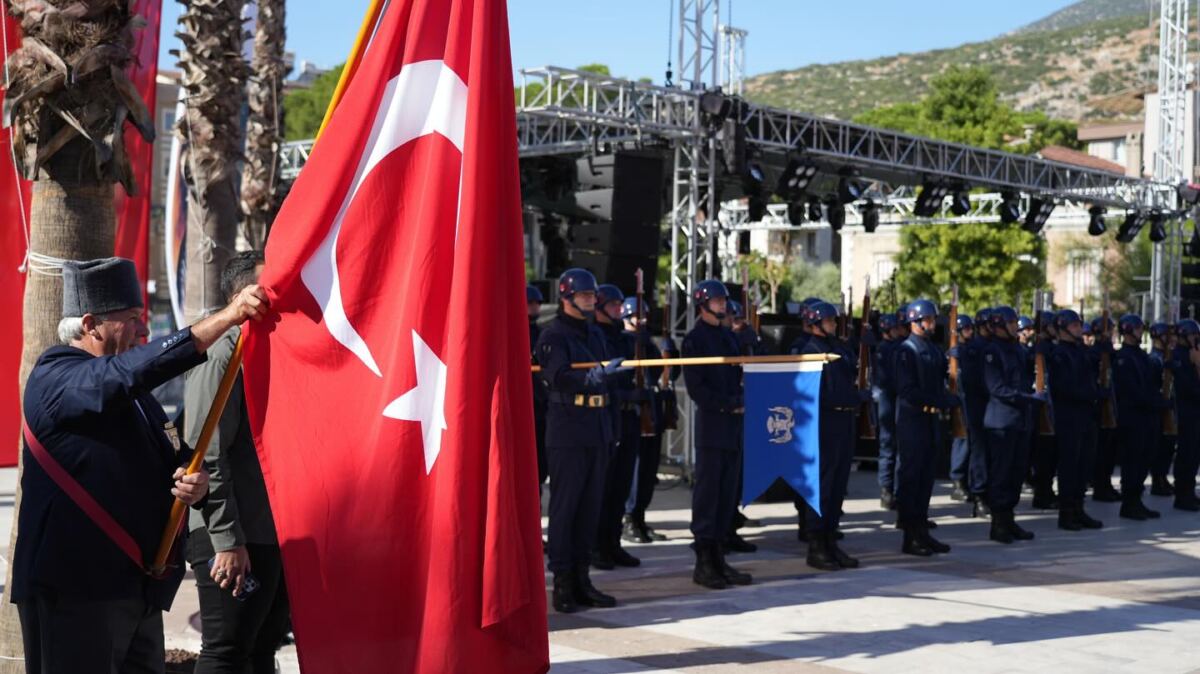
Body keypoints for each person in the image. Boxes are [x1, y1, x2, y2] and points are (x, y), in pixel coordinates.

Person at [15, 257, 268, 674]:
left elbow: (177, 454)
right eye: (132, 318)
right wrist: (227, 318)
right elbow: (127, 373)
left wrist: (195, 483)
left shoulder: (137, 398)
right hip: (77, 590)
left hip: (137, 587)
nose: (143, 330)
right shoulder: (55, 375)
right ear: (91, 324)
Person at [186, 251, 291, 673]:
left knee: (261, 648)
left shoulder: (269, 346)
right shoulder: (224, 350)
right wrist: (227, 540)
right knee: (226, 651)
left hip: (269, 530)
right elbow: (206, 451)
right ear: (240, 296)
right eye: (269, 287)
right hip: (232, 532)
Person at [537, 268, 628, 613]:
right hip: (569, 429)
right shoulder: (553, 335)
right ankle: (562, 582)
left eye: (592, 296)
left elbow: (608, 386)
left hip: (597, 427)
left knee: (590, 508)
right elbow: (558, 377)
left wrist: (612, 428)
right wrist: (595, 375)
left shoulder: (595, 333)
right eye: (585, 295)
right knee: (566, 508)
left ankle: (582, 578)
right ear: (567, 297)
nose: (591, 300)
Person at [683, 280, 753, 590]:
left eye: (724, 300)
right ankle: (704, 562)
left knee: (727, 495)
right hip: (713, 425)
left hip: (733, 426)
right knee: (709, 494)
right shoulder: (694, 340)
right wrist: (730, 403)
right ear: (702, 304)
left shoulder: (728, 337)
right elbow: (697, 390)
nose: (723, 304)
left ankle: (719, 557)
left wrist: (752, 343)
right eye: (716, 301)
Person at [800, 301, 866, 570]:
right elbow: (818, 395)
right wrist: (854, 397)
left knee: (838, 485)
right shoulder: (810, 352)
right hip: (824, 424)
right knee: (823, 486)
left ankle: (830, 539)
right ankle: (816, 544)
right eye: (829, 321)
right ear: (816, 323)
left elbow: (851, 372)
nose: (833, 325)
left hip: (843, 421)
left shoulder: (837, 348)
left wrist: (860, 345)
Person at [893, 299, 959, 556]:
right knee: (912, 479)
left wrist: (953, 359)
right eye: (929, 320)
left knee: (926, 480)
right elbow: (908, 391)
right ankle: (910, 536)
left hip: (930, 421)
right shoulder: (906, 351)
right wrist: (941, 401)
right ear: (916, 322)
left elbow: (941, 376)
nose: (932, 324)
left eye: (932, 319)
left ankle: (922, 531)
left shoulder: (932, 348)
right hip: (913, 420)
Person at [592, 283, 642, 570]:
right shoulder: (595, 336)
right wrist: (623, 393)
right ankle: (597, 545)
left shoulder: (624, 337)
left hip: (628, 417)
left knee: (621, 485)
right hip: (607, 415)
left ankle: (613, 542)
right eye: (612, 305)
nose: (618, 310)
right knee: (604, 486)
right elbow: (602, 378)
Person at [981, 306, 1037, 543]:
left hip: (1020, 420)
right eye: (1012, 322)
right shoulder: (991, 352)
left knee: (1016, 473)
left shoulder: (1018, 349)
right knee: (1001, 474)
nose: (1016, 326)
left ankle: (1009, 519)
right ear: (1000, 325)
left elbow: (1027, 377)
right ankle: (998, 523)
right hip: (1001, 421)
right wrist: (1027, 398)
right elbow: (997, 388)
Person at [620, 296, 672, 544]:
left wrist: (668, 352)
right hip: (634, 414)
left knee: (649, 471)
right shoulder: (622, 341)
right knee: (635, 471)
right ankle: (629, 518)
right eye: (636, 316)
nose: (641, 320)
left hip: (652, 411)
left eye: (643, 316)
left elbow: (664, 373)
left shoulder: (648, 343)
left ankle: (640, 516)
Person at [1048, 310, 1105, 531]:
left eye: (1079, 325)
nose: (1079, 329)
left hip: (1086, 415)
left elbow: (1094, 365)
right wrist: (1091, 394)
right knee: (1070, 466)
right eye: (1073, 326)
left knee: (1084, 465)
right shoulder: (1059, 354)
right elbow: (1063, 388)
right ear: (1062, 329)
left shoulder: (1081, 351)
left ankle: (1079, 508)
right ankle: (1067, 513)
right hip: (1069, 417)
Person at [1112, 314, 1162, 521]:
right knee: (1132, 461)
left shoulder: (1141, 355)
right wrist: (1155, 401)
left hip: (1146, 416)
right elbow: (1131, 390)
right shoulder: (1123, 357)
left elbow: (1151, 383)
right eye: (1138, 328)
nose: (1142, 331)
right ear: (1128, 330)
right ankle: (1129, 504)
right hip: (1132, 417)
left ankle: (1137, 501)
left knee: (1144, 460)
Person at [950, 313, 983, 507]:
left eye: (972, 328)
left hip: (972, 400)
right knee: (962, 442)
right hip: (959, 401)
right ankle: (957, 481)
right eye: (967, 329)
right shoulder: (954, 353)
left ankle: (968, 481)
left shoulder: (973, 349)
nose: (971, 332)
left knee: (971, 443)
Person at [1029, 311, 1060, 510]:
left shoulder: (1051, 348)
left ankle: (1046, 491)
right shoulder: (1039, 350)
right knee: (1044, 455)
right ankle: (1042, 493)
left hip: (1052, 405)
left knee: (1051, 455)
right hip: (1041, 407)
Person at [1090, 316, 1122, 503]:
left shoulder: (1109, 352)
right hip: (1098, 409)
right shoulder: (1093, 353)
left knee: (1110, 451)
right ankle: (1100, 486)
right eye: (1109, 330)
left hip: (1111, 405)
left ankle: (1106, 484)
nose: (1111, 333)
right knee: (1100, 451)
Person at [1171, 319, 1200, 511]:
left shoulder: (1194, 354)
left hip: (1195, 411)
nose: (1196, 338)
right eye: (1192, 335)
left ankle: (1189, 490)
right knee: (1186, 454)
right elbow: (1187, 387)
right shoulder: (1179, 356)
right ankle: (1182, 495)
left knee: (1194, 454)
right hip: (1186, 411)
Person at [874, 312, 901, 510]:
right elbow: (885, 379)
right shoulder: (883, 349)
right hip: (888, 400)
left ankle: (897, 489)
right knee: (888, 445)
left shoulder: (899, 347)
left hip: (897, 399)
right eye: (895, 328)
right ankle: (886, 489)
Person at [1148, 322, 1177, 497]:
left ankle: (1163, 477)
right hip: (1159, 408)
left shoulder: (1168, 357)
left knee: (1168, 445)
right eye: (1167, 336)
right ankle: (1157, 480)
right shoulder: (1154, 359)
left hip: (1170, 406)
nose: (1171, 339)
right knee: (1159, 445)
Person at [528, 285, 549, 493]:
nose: (534, 307)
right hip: (523, 405)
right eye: (530, 303)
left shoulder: (544, 334)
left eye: (537, 303)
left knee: (540, 460)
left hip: (542, 404)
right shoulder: (512, 332)